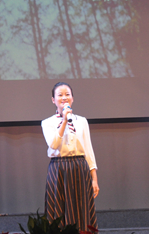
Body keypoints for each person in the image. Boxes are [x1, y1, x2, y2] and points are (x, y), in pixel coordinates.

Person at [41, 82, 99, 231]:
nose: (64, 98)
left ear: (72, 98)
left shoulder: (82, 121)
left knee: (82, 209)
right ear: (53, 100)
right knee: (59, 210)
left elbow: (88, 149)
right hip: (58, 168)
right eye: (60, 95)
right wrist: (65, 120)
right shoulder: (47, 123)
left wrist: (94, 178)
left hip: (80, 167)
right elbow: (53, 144)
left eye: (67, 94)